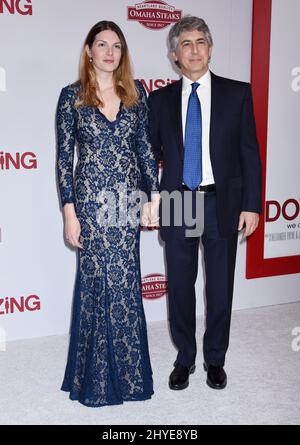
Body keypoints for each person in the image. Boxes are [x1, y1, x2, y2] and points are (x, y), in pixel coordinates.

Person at [148, 16, 262, 390]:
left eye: (200, 42)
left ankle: (215, 358)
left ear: (210, 49)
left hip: (222, 202)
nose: (194, 50)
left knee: (219, 288)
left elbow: (250, 153)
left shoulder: (237, 93)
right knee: (180, 286)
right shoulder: (160, 100)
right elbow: (149, 155)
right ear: (174, 54)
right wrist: (149, 199)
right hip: (180, 201)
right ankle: (185, 358)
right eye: (186, 44)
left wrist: (252, 204)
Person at [56, 20, 159, 407]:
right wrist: (70, 213)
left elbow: (146, 150)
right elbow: (64, 161)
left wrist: (153, 197)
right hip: (91, 204)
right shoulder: (72, 97)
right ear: (89, 51)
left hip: (127, 203)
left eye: (116, 45)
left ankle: (131, 376)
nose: (110, 51)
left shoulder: (136, 93)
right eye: (102, 44)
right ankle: (94, 380)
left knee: (126, 283)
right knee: (97, 283)